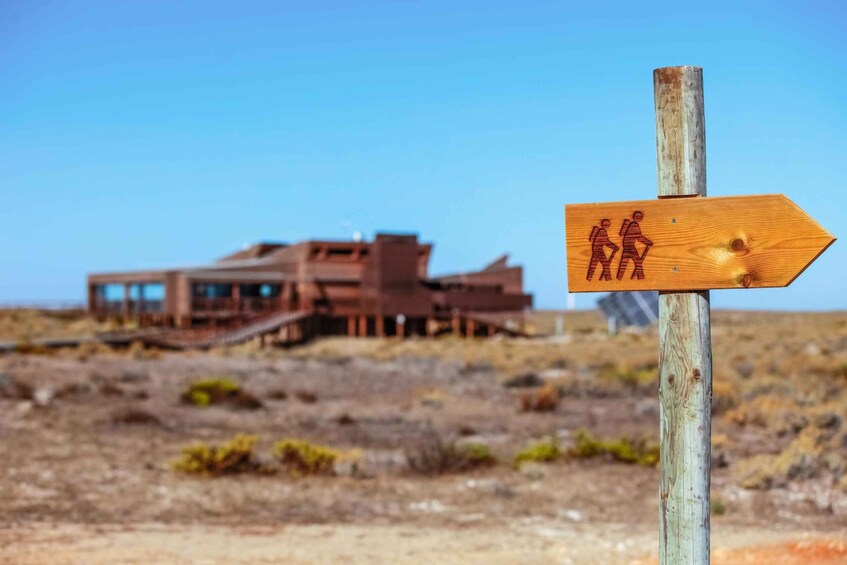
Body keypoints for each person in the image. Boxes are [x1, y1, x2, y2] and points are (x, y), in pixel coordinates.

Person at [616, 211, 653, 280]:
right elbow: (639, 237)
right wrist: (648, 242)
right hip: (630, 247)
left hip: (626, 247)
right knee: (638, 262)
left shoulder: (631, 224)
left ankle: (619, 278)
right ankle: (641, 278)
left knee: (624, 264)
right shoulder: (634, 225)